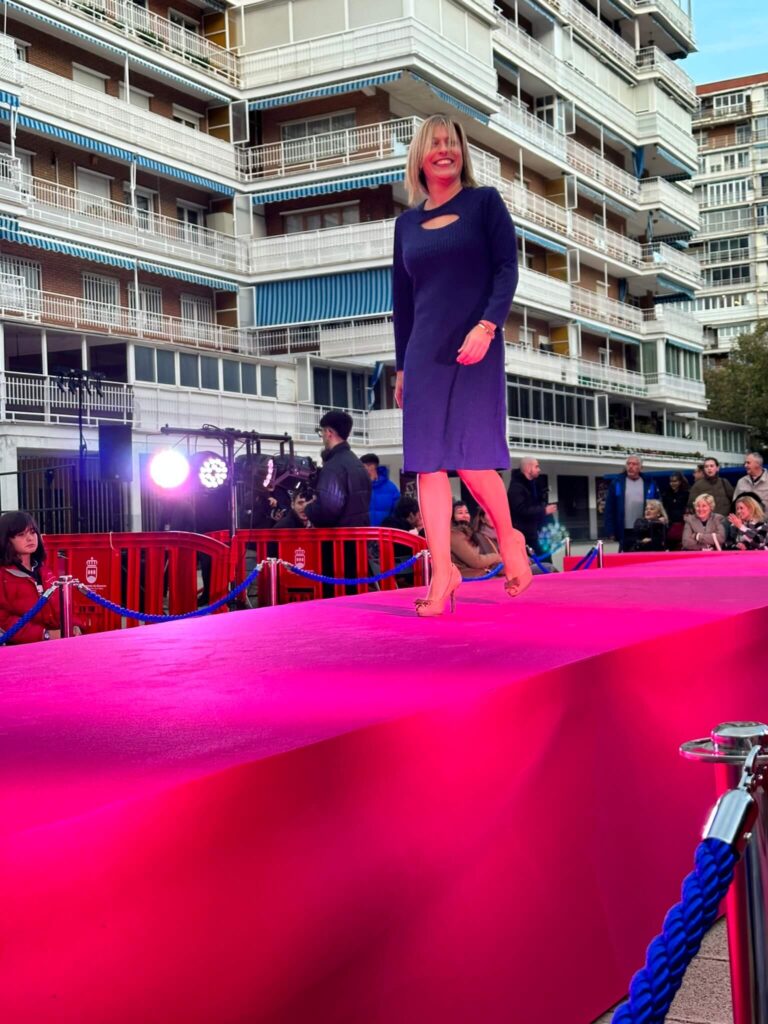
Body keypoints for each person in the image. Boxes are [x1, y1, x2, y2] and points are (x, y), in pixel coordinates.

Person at [392, 114, 528, 617]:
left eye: (452, 142)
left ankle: (509, 539)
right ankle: (442, 572)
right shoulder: (405, 225)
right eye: (435, 143)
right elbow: (402, 301)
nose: (445, 150)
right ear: (421, 156)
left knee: (470, 458)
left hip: (476, 345)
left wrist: (488, 326)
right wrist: (402, 367)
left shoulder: (484, 203)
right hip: (423, 353)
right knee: (426, 464)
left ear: (461, 152)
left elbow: (506, 269)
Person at [0, 510, 82, 643]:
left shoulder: (44, 570)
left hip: (60, 643)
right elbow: (3, 619)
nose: (30, 538)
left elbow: (65, 603)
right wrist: (45, 634)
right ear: (6, 540)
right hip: (22, 648)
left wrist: (74, 625)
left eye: (32, 532)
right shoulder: (3, 575)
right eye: (21, 534)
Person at [305, 410, 371, 528]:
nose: (322, 437)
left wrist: (309, 508)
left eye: (322, 432)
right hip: (359, 536)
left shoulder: (333, 467)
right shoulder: (357, 463)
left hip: (340, 537)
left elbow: (326, 511)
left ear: (329, 432)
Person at [602, 455, 659, 552]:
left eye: (634, 464)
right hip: (625, 529)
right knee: (626, 555)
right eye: (628, 464)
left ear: (641, 467)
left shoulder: (649, 482)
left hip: (645, 528)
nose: (630, 466)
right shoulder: (617, 482)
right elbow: (609, 508)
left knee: (644, 555)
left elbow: (658, 503)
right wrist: (610, 530)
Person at [506, 456, 558, 561]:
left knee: (546, 564)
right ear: (528, 468)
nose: (539, 469)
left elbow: (533, 506)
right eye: (536, 467)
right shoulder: (516, 488)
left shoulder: (534, 485)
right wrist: (544, 510)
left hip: (538, 534)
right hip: (527, 537)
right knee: (538, 565)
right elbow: (521, 510)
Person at [450, 501, 502, 580]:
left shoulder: (468, 534)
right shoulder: (455, 535)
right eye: (460, 513)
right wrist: (497, 557)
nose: (465, 515)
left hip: (475, 574)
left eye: (466, 512)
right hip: (465, 578)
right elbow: (476, 562)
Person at [360, 453, 400, 527]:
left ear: (373, 466)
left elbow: (397, 512)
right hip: (364, 533)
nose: (363, 470)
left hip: (385, 532)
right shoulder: (357, 488)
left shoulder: (391, 488)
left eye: (366, 466)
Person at [662, 471, 689, 550]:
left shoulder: (686, 494)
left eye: (675, 481)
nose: (672, 484)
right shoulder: (666, 494)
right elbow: (663, 508)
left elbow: (688, 508)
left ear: (680, 482)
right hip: (669, 524)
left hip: (682, 525)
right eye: (671, 481)